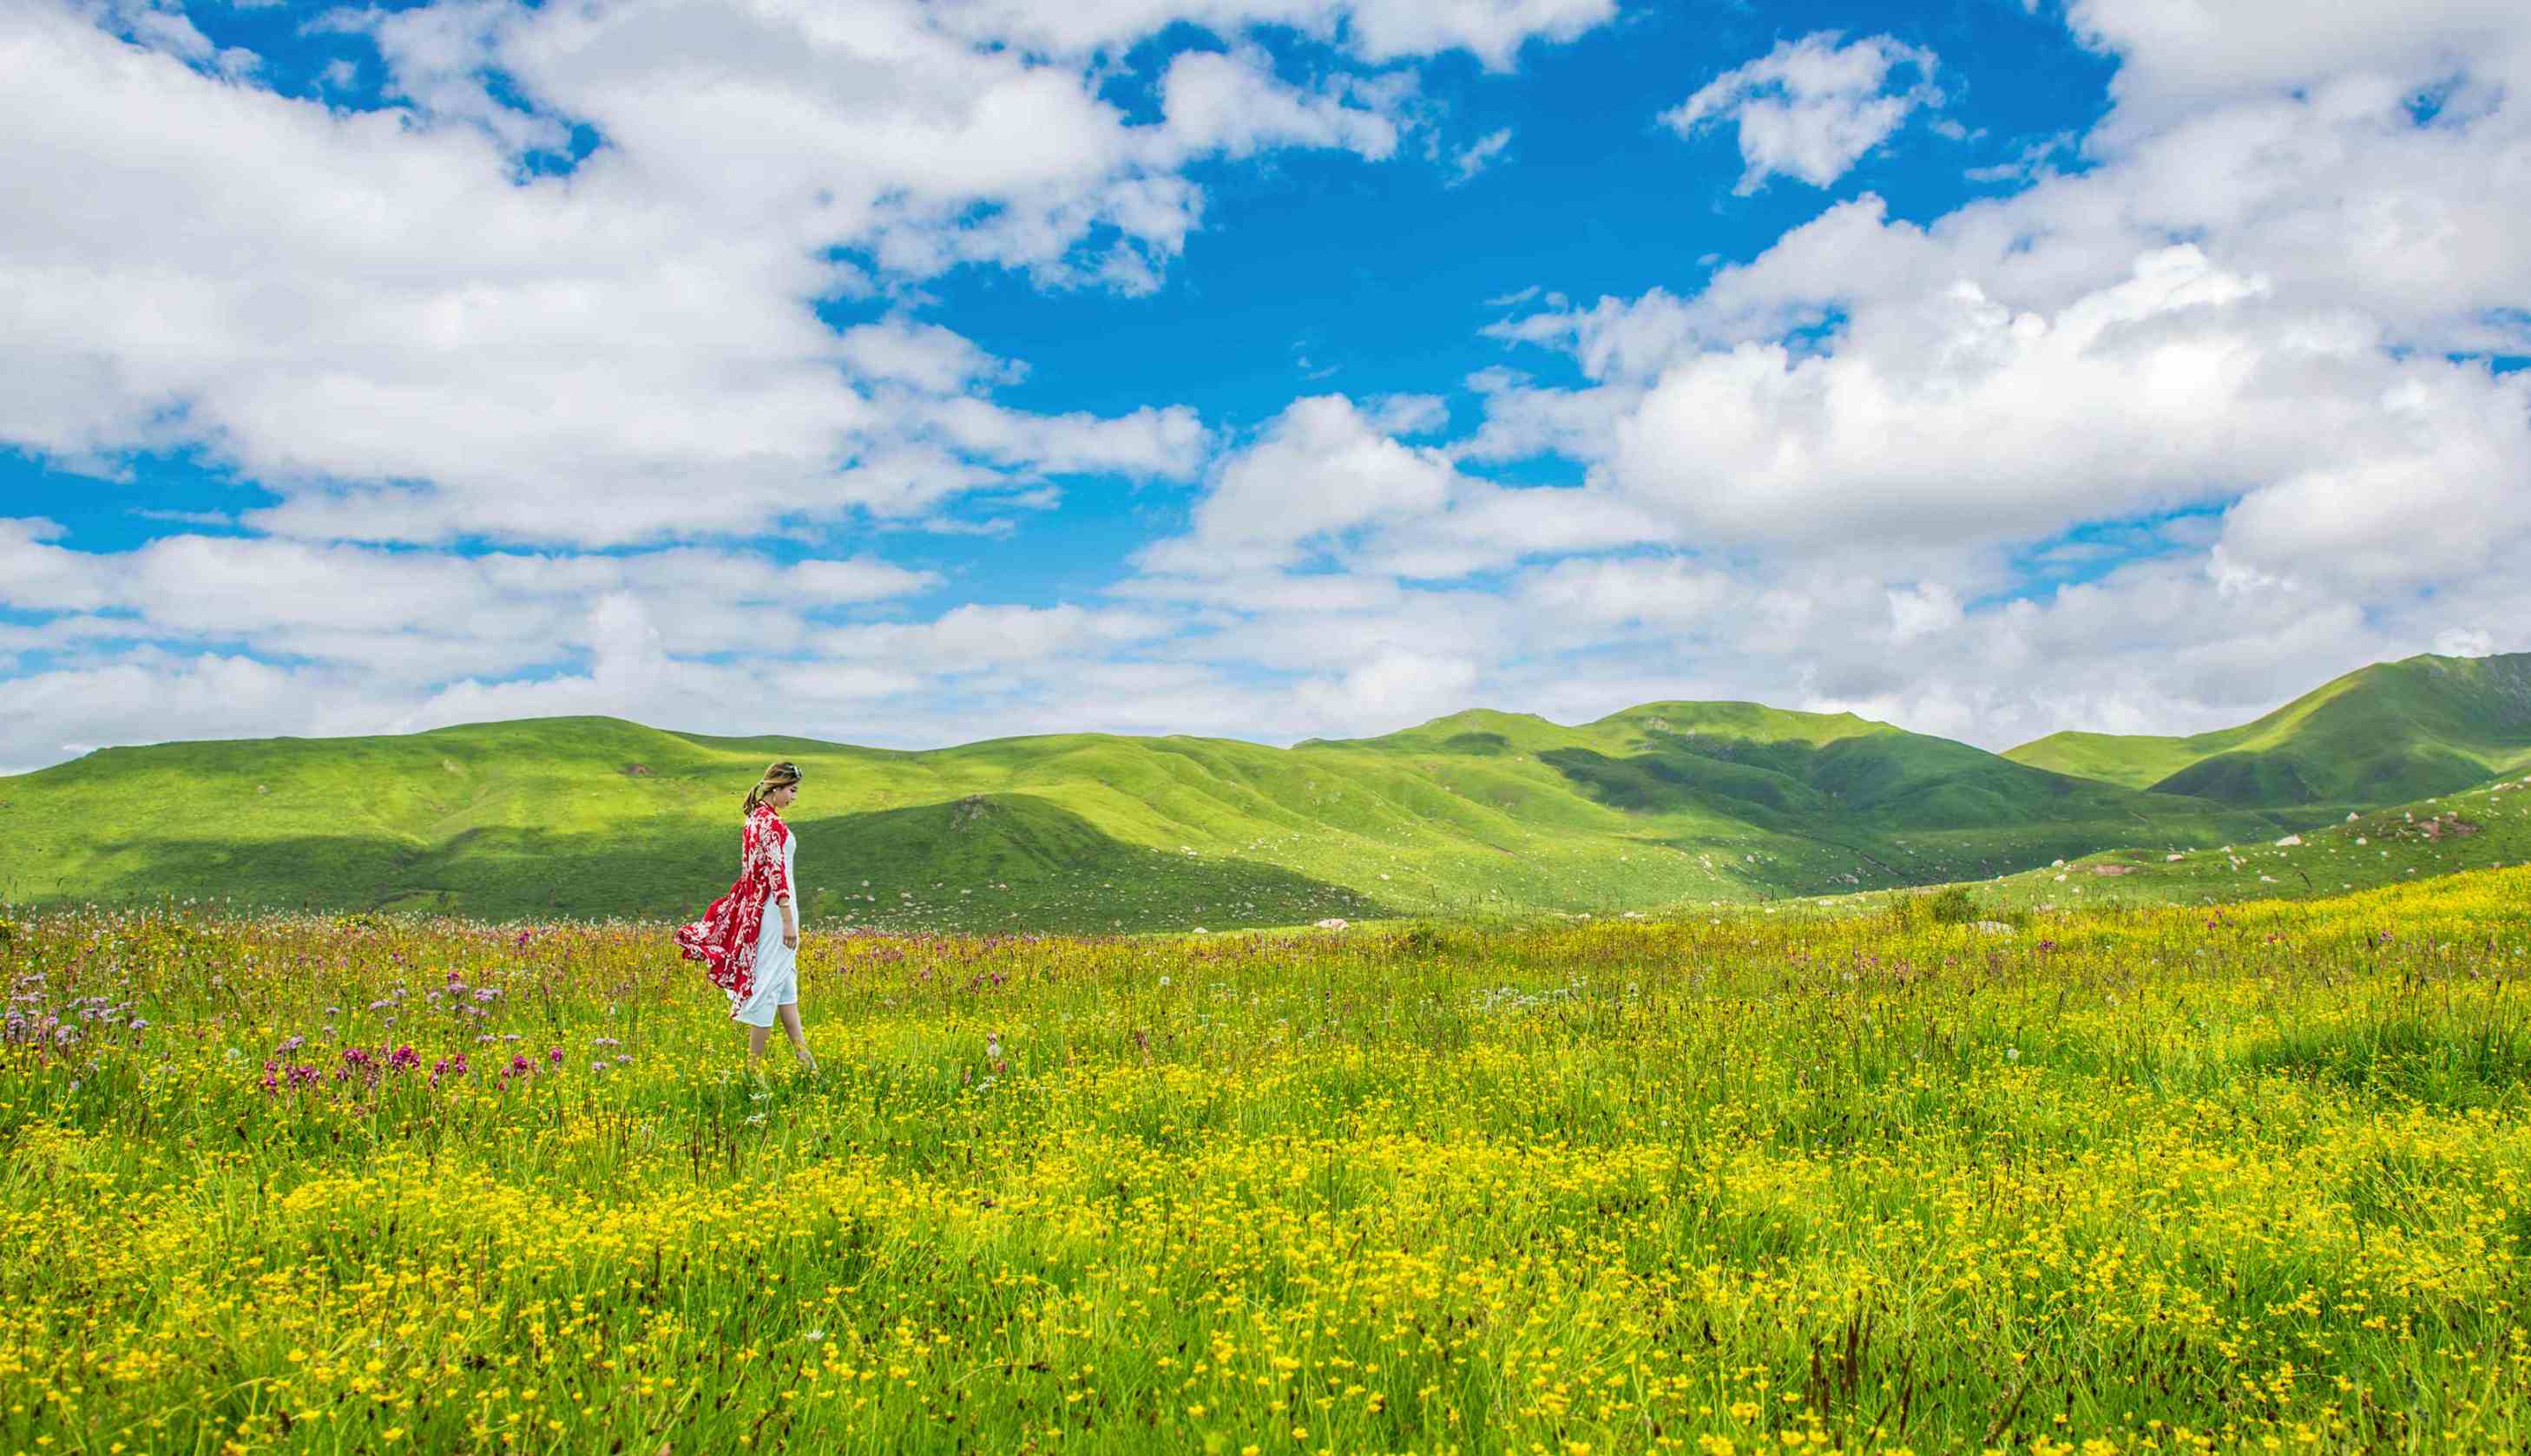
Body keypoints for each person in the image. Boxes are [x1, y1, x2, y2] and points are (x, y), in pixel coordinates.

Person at [674, 761, 817, 1072]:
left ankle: (806, 1060)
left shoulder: (754, 820)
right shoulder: (772, 825)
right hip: (776, 911)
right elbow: (776, 872)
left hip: (763, 908)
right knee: (767, 985)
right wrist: (787, 919)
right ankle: (753, 1068)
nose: (794, 797)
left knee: (785, 984)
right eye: (791, 791)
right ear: (776, 788)